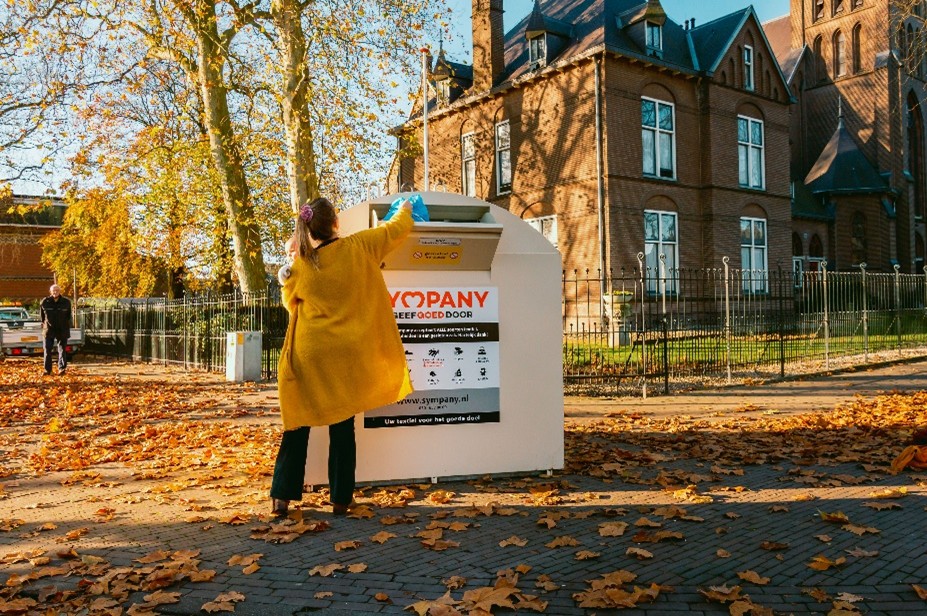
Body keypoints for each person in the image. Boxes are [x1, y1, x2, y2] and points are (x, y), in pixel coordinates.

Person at [270, 196, 414, 517]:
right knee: (342, 426)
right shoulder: (361, 246)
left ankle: (281, 498)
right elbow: (395, 230)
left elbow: (290, 302)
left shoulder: (302, 266)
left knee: (297, 425)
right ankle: (340, 500)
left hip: (308, 354)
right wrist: (405, 209)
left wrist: (288, 270)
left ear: (309, 230)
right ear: (336, 223)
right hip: (344, 357)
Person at [40, 284, 72, 376]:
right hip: (48, 329)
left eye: (57, 290)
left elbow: (68, 316)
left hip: (62, 329)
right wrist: (46, 325)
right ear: (50, 291)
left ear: (60, 291)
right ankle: (47, 370)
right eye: (53, 290)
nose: (55, 292)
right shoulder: (45, 302)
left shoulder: (66, 302)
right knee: (47, 349)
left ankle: (62, 369)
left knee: (62, 349)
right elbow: (42, 317)